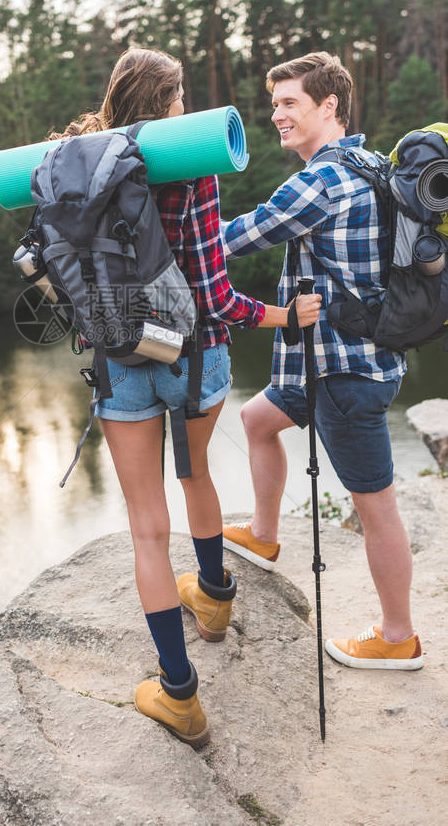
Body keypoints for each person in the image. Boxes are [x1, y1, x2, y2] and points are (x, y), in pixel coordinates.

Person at [55, 47, 321, 748]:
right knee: (195, 470)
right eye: (179, 99)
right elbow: (214, 294)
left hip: (119, 362)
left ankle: (178, 696)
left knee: (147, 526)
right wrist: (278, 315)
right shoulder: (190, 163)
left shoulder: (76, 158)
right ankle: (213, 595)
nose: (185, 110)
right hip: (195, 350)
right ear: (167, 102)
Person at [221, 51, 423, 671]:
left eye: (290, 103)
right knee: (257, 420)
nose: (276, 114)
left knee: (375, 504)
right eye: (274, 102)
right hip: (328, 363)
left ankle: (398, 637)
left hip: (345, 374)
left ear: (328, 106)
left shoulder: (325, 179)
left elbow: (238, 238)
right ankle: (264, 532)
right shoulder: (368, 161)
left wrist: (171, 230)